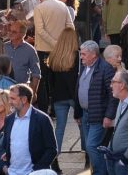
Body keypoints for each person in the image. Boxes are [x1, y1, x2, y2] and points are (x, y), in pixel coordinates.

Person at [74, 41, 113, 175]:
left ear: (93, 55)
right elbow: (79, 89)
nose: (81, 57)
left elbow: (112, 95)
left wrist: (108, 116)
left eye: (84, 54)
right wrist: (77, 113)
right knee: (89, 147)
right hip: (85, 115)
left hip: (98, 115)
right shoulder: (85, 67)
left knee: (92, 146)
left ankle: (101, 173)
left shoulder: (105, 68)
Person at [2, 83, 57, 175]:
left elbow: (52, 149)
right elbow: (5, 146)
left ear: (24, 100)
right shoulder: (9, 119)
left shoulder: (42, 119)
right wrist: (4, 167)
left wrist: (36, 170)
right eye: (9, 98)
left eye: (13, 98)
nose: (9, 102)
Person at [49, 27, 80, 166]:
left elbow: (50, 81)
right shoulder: (76, 56)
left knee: (59, 128)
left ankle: (54, 158)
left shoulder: (54, 56)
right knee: (83, 126)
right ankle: (88, 158)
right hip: (74, 95)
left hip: (58, 96)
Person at [3, 20, 42, 94]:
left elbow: (36, 73)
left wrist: (33, 92)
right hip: (3, 90)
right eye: (10, 31)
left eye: (14, 32)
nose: (10, 33)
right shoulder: (4, 47)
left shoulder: (30, 50)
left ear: (22, 34)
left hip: (20, 91)